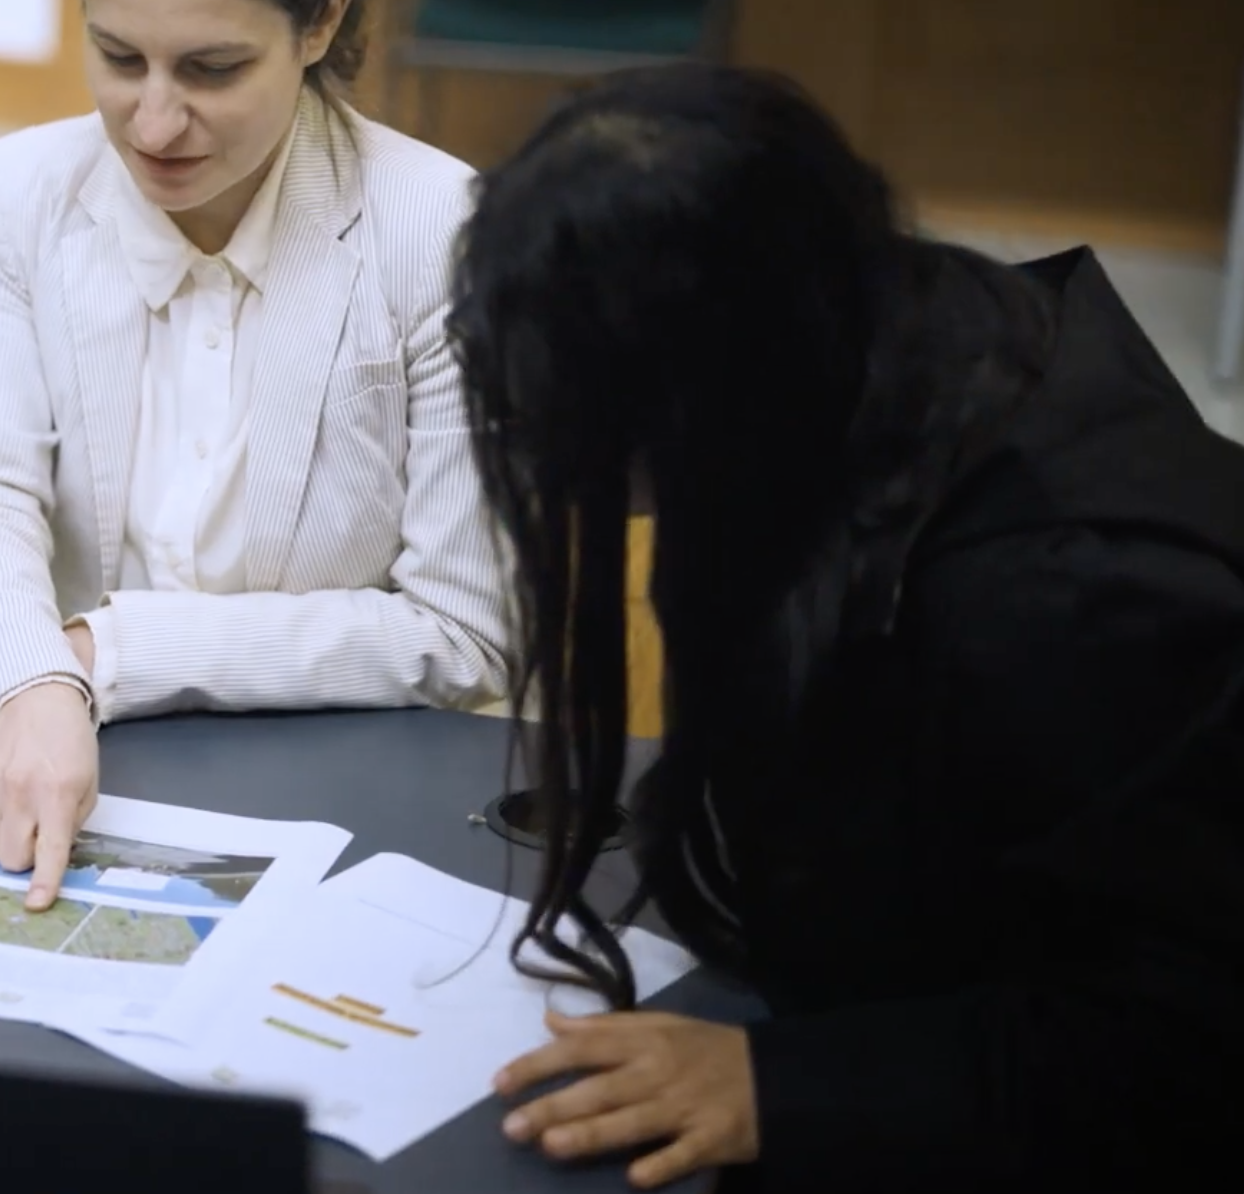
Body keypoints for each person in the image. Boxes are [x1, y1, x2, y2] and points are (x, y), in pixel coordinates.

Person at [457, 64, 1244, 1191]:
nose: (540, 440)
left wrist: (782, 1083)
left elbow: (1178, 1045)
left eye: (573, 403)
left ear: (703, 384)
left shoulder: (1072, 596)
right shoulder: (866, 334)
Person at [0, 0, 512, 907]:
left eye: (212, 69)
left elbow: (464, 632)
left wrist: (97, 655)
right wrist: (27, 680)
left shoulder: (437, 228)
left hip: (344, 787)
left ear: (322, 19)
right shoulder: (23, 191)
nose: (155, 122)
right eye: (118, 57)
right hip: (67, 765)